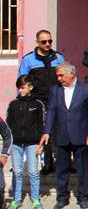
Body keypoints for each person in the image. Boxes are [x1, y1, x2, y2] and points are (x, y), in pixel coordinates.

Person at [40, 62, 88, 209]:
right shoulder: (55, 90)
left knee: (82, 168)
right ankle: (62, 197)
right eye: (57, 75)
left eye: (61, 75)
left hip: (81, 135)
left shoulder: (86, 89)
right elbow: (51, 111)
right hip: (61, 135)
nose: (58, 78)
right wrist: (47, 132)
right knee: (61, 169)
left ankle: (83, 196)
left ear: (71, 74)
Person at [18, 29, 64, 174]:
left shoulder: (58, 58)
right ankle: (47, 164)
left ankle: (64, 162)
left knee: (62, 131)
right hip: (39, 101)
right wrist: (22, 102)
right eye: (44, 42)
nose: (48, 44)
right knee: (44, 132)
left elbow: (66, 77)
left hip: (58, 100)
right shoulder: (29, 60)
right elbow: (22, 82)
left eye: (50, 41)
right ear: (37, 42)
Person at [7, 76, 42, 209]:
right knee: (17, 172)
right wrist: (8, 144)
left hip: (32, 143)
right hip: (16, 144)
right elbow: (8, 125)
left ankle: (35, 199)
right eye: (19, 88)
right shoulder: (13, 104)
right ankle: (16, 200)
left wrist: (41, 144)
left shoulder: (37, 104)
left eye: (22, 87)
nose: (20, 90)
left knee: (33, 172)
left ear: (30, 87)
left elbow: (41, 126)